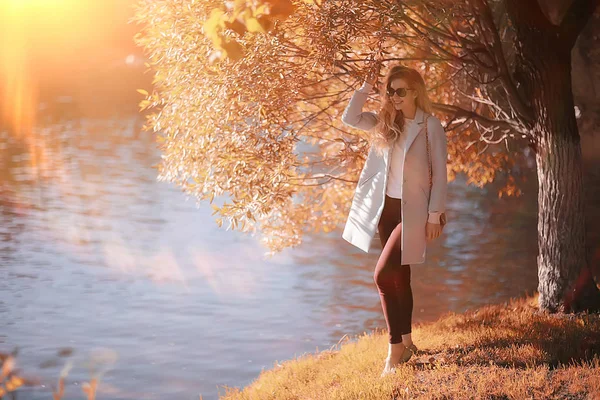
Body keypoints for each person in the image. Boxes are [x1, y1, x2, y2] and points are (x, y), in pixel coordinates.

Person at [340, 60, 448, 377]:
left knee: (383, 275)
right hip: (385, 209)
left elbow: (441, 175)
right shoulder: (386, 123)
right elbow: (350, 118)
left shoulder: (431, 127)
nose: (395, 98)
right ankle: (409, 342)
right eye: (391, 92)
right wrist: (364, 89)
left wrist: (434, 215)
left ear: (415, 91)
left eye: (400, 91)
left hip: (413, 212)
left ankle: (395, 348)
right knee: (399, 277)